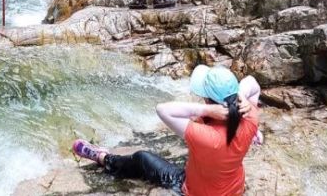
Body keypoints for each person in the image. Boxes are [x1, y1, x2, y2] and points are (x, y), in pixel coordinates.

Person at [73, 65, 262, 195]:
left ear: (207, 100)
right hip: (234, 189)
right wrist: (242, 96)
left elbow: (163, 110)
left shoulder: (207, 137)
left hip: (195, 191)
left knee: (142, 158)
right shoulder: (250, 117)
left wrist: (206, 110)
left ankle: (102, 157)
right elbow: (253, 83)